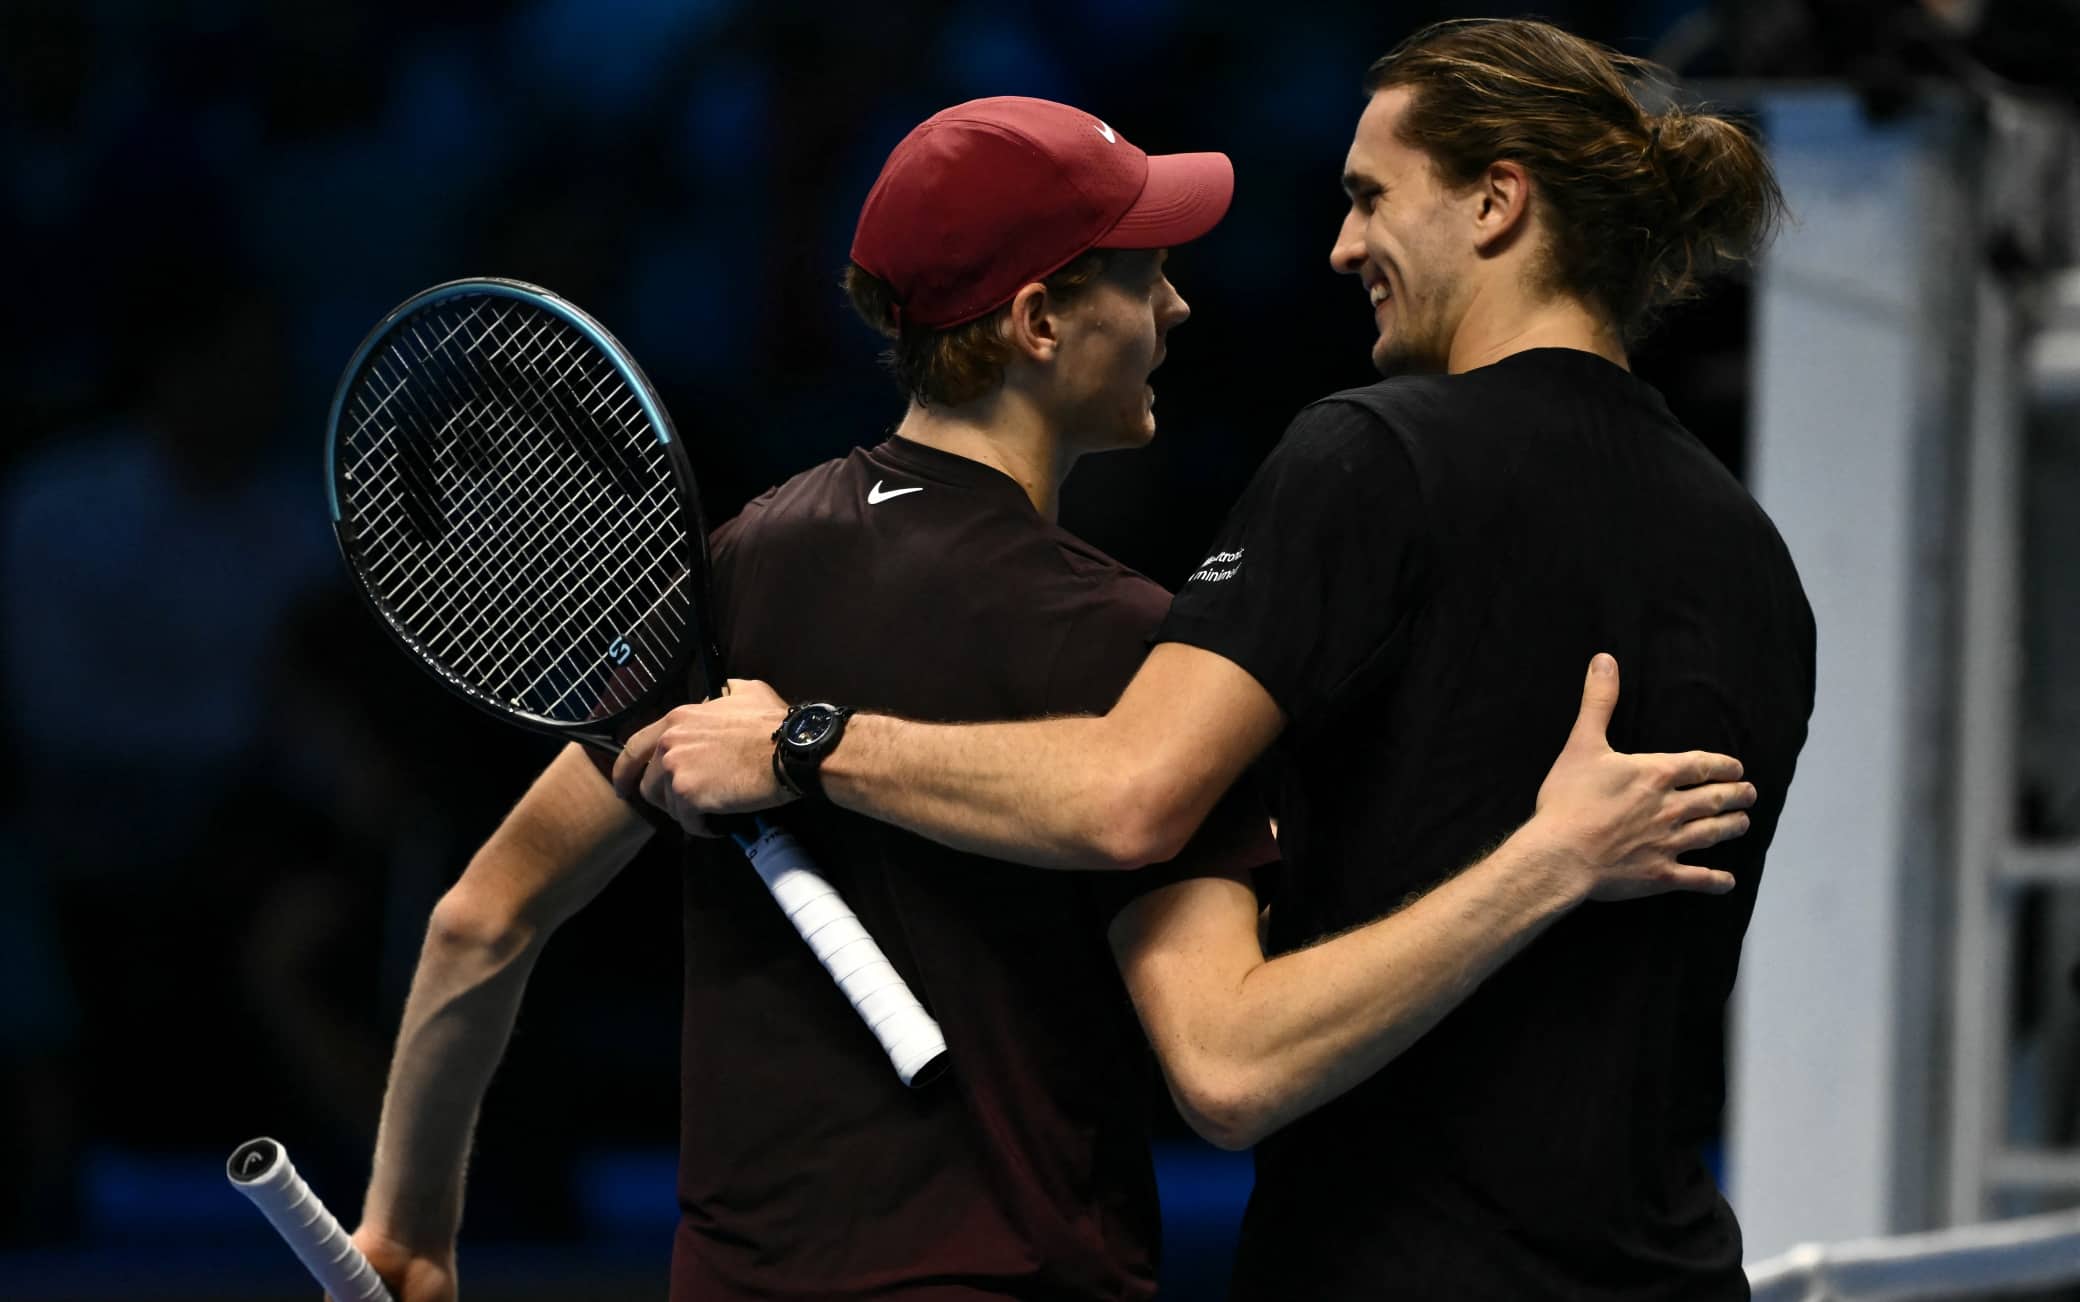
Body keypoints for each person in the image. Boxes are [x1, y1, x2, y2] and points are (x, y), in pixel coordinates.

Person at [349, 95, 1754, 1302]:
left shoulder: (742, 565)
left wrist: (410, 1229)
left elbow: (482, 919)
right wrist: (1551, 864)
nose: (1179, 307)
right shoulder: (1134, 653)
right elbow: (1231, 1064)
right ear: (1036, 320)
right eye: (1144, 278)